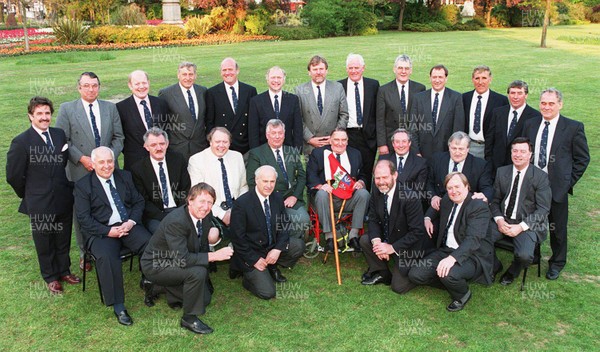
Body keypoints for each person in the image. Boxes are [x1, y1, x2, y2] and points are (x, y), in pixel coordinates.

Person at [6, 96, 80, 295]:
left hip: (63, 197)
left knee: (63, 237)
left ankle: (64, 270)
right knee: (44, 241)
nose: (44, 117)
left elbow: (62, 163)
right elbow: (13, 176)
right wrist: (30, 193)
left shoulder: (59, 134)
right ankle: (51, 277)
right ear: (31, 116)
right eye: (39, 113)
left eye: (47, 113)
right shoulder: (21, 142)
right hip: (39, 201)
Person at [141, 183, 233, 334]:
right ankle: (189, 319)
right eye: (202, 201)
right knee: (197, 273)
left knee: (205, 299)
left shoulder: (205, 214)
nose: (206, 206)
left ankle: (156, 287)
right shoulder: (176, 221)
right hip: (157, 264)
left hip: (177, 258)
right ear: (190, 200)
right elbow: (183, 259)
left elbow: (202, 244)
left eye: (210, 202)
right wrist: (214, 256)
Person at [74, 147, 152, 326]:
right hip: (101, 231)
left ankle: (150, 281)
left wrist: (131, 222)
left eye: (110, 161)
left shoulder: (124, 176)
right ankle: (118, 305)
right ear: (93, 165)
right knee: (108, 258)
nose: (107, 166)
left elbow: (139, 201)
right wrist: (109, 231)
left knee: (151, 244)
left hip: (127, 225)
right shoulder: (83, 186)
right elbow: (84, 219)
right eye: (101, 162)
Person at [55, 71, 125, 272]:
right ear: (79, 88)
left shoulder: (110, 108)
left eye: (94, 85)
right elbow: (63, 139)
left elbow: (119, 137)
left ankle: (114, 244)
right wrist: (82, 158)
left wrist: (107, 158)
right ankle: (85, 252)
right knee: (82, 211)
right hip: (81, 169)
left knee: (111, 204)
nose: (91, 89)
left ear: (99, 87)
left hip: (108, 169)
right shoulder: (67, 109)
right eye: (86, 85)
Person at [522, 88, 590, 280]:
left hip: (556, 188)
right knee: (532, 221)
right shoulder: (531, 124)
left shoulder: (573, 127)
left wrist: (567, 183)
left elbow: (582, 159)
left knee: (557, 228)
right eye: (543, 103)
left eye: (551, 103)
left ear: (560, 104)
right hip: (532, 185)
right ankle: (533, 255)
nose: (547, 107)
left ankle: (557, 263)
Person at [409, 172, 494, 312]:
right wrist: (427, 218)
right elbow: (435, 207)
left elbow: (473, 239)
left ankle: (462, 294)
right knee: (416, 275)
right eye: (449, 188)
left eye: (457, 186)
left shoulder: (478, 206)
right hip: (446, 250)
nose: (453, 191)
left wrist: (452, 259)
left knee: (449, 274)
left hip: (472, 255)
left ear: (467, 187)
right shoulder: (447, 200)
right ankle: (450, 280)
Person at [229, 166, 305, 299]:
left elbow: (284, 224)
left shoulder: (276, 197)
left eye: (272, 181)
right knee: (268, 293)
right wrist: (254, 259)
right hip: (252, 252)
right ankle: (248, 278)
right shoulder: (242, 203)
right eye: (265, 181)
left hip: (271, 245)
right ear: (256, 180)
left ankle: (271, 265)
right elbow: (237, 238)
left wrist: (277, 249)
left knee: (298, 246)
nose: (269, 185)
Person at [359, 160, 434, 293]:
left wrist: (391, 248)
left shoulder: (410, 197)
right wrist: (377, 243)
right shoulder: (376, 191)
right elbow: (373, 219)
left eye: (385, 177)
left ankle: (417, 267)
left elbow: (417, 232)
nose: (381, 182)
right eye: (377, 178)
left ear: (395, 175)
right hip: (389, 236)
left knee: (399, 287)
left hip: (408, 246)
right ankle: (382, 272)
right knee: (366, 240)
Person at [489, 138, 551, 285]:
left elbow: (543, 209)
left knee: (524, 256)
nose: (518, 155)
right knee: (479, 238)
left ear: (530, 155)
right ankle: (494, 265)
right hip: (503, 220)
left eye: (523, 151)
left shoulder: (541, 177)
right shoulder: (502, 172)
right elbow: (495, 200)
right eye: (515, 151)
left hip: (526, 224)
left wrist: (521, 227)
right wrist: (499, 219)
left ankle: (513, 271)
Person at [306, 128, 370, 252]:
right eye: (336, 139)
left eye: (343, 140)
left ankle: (353, 235)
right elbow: (311, 175)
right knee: (322, 194)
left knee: (364, 194)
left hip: (348, 198)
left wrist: (360, 182)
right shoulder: (319, 153)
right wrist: (321, 186)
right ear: (330, 140)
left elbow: (362, 174)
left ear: (347, 141)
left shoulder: (355, 154)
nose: (340, 143)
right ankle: (330, 237)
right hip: (326, 199)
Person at [247, 120, 310, 240]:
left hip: (291, 198)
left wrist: (295, 196)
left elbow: (302, 176)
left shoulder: (292, 151)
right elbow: (251, 181)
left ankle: (286, 244)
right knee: (271, 223)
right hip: (269, 198)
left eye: (280, 133)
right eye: (273, 133)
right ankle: (275, 243)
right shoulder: (256, 153)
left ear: (284, 135)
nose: (277, 136)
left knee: (303, 220)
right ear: (267, 135)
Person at [130, 127, 191, 234]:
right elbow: (143, 200)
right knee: (165, 233)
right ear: (146, 147)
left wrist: (178, 212)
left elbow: (185, 188)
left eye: (162, 144)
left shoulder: (178, 160)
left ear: (167, 144)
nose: (159, 148)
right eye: (153, 145)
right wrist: (165, 217)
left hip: (180, 209)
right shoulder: (138, 169)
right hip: (156, 215)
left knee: (190, 229)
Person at [188, 127, 248, 230]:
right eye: (217, 142)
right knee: (213, 235)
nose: (221, 145)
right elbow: (198, 195)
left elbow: (244, 186)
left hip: (236, 206)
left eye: (225, 142)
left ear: (229, 143)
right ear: (210, 142)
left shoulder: (237, 157)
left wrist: (238, 208)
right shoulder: (196, 160)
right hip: (211, 209)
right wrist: (222, 214)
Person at [338, 53, 380, 190]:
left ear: (363, 68)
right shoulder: (339, 86)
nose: (354, 71)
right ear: (346, 69)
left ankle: (366, 204)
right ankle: (348, 203)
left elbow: (377, 112)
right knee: (349, 169)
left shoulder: (373, 85)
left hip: (368, 136)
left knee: (367, 172)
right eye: (350, 68)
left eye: (357, 67)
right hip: (348, 135)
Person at [295, 55, 349, 154]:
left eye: (321, 69)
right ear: (309, 72)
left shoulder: (337, 88)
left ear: (326, 71)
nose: (318, 72)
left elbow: (344, 114)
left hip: (333, 144)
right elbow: (298, 119)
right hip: (311, 146)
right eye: (315, 69)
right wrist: (309, 138)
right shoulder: (300, 90)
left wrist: (335, 137)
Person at [409, 65, 465, 159]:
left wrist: (453, 152)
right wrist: (416, 151)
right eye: (434, 77)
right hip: (422, 153)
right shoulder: (418, 98)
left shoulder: (456, 98)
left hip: (446, 153)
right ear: (430, 78)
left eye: (440, 77)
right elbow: (413, 127)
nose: (437, 80)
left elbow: (458, 128)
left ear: (446, 78)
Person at [116, 70, 169, 170]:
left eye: (144, 83)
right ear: (130, 85)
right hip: (135, 163)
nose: (141, 87)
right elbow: (119, 136)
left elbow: (167, 129)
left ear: (148, 83)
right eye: (137, 84)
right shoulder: (120, 108)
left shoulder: (161, 103)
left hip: (160, 160)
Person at [427, 132, 493, 212]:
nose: (457, 152)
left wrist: (484, 195)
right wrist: (433, 196)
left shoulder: (480, 165)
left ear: (468, 149)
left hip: (466, 210)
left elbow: (487, 188)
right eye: (454, 148)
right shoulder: (436, 159)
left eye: (461, 149)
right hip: (438, 208)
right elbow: (429, 182)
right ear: (449, 147)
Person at [486, 80, 540, 174]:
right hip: (496, 167)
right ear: (508, 95)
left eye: (519, 93)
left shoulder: (535, 116)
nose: (515, 97)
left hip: (520, 168)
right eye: (512, 93)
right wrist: (490, 162)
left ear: (526, 95)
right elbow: (490, 139)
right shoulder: (498, 113)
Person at [206, 57, 258, 156]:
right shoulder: (212, 93)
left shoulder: (249, 91)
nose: (227, 73)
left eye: (230, 69)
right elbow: (209, 122)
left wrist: (254, 146)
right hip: (223, 148)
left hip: (245, 147)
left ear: (237, 71)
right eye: (224, 70)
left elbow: (254, 121)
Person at [376, 54, 425, 156]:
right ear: (394, 69)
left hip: (413, 142)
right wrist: (382, 144)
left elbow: (421, 119)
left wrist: (418, 146)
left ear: (411, 70)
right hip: (391, 142)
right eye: (400, 68)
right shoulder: (384, 90)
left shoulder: (420, 89)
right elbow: (380, 120)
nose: (403, 71)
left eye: (406, 68)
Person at [158, 61, 208, 161]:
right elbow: (162, 123)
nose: (188, 78)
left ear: (195, 75)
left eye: (191, 74)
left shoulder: (203, 91)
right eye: (184, 74)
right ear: (178, 75)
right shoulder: (166, 94)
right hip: (178, 148)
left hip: (200, 147)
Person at [248, 66, 303, 150]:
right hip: (264, 151)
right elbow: (253, 131)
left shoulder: (293, 99)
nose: (276, 81)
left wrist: (297, 152)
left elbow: (298, 128)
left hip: (287, 150)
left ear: (284, 80)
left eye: (279, 78)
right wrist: (256, 153)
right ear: (267, 80)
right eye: (273, 77)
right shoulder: (256, 101)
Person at [461, 65, 508, 159]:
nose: (480, 82)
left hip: (489, 148)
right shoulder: (464, 98)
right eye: (477, 78)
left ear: (490, 79)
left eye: (484, 78)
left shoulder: (500, 101)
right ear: (472, 80)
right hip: (468, 146)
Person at [378, 128, 428, 194]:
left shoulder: (420, 163)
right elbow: (377, 187)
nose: (401, 145)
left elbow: (418, 192)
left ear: (409, 143)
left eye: (404, 141)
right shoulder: (383, 160)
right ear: (393, 144)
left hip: (409, 202)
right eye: (397, 142)